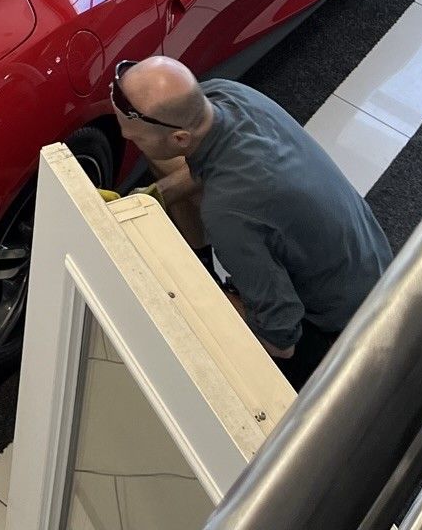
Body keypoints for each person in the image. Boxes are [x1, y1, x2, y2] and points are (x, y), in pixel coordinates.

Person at [110, 55, 391, 388]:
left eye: (137, 138)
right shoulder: (226, 94)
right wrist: (155, 194)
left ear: (181, 139)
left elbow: (281, 339)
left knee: (186, 305)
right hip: (376, 263)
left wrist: (210, 294)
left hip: (348, 329)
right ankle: (201, 256)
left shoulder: (228, 212)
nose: (130, 140)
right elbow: (219, 167)